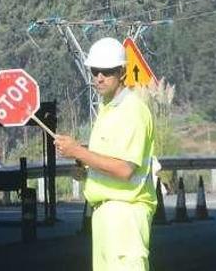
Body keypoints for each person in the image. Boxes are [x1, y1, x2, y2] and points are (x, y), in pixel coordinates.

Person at [54, 37, 156, 271]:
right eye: (95, 71)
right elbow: (109, 158)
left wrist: (78, 150)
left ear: (121, 71)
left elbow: (124, 169)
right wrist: (84, 166)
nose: (99, 77)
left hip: (125, 214)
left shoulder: (132, 110)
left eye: (107, 71)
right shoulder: (108, 108)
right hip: (105, 215)